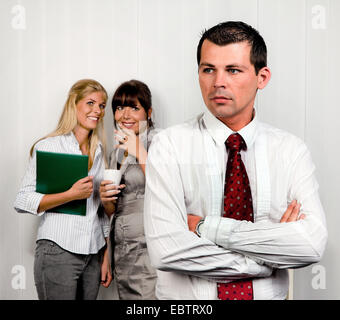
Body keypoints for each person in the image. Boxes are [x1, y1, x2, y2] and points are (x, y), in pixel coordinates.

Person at [143, 21, 328, 300]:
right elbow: (167, 251)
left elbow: (310, 245)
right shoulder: (169, 145)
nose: (218, 82)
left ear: (262, 78)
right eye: (208, 69)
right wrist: (266, 256)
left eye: (233, 70)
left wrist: (208, 228)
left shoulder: (291, 151)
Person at [14, 79, 112, 300]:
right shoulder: (49, 146)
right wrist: (71, 194)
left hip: (93, 255)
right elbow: (22, 200)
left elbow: (98, 212)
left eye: (102, 105)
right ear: (73, 104)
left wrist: (106, 256)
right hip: (58, 251)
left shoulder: (98, 151)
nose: (97, 110)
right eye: (90, 103)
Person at [99, 79, 157, 299]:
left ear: (148, 112)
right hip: (123, 250)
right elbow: (114, 211)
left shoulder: (159, 140)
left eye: (134, 108)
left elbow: (170, 188)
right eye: (119, 108)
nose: (125, 115)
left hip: (148, 249)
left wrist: (139, 150)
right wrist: (106, 200)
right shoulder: (117, 152)